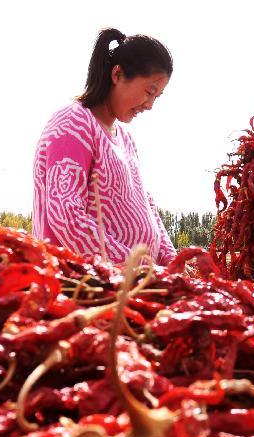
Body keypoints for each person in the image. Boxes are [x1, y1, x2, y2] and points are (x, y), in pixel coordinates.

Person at [32, 28, 177, 266]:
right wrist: (136, 268)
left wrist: (171, 261)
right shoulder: (74, 123)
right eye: (149, 92)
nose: (150, 105)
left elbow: (147, 206)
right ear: (117, 74)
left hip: (128, 285)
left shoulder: (125, 140)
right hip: (82, 285)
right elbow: (66, 215)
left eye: (157, 97)